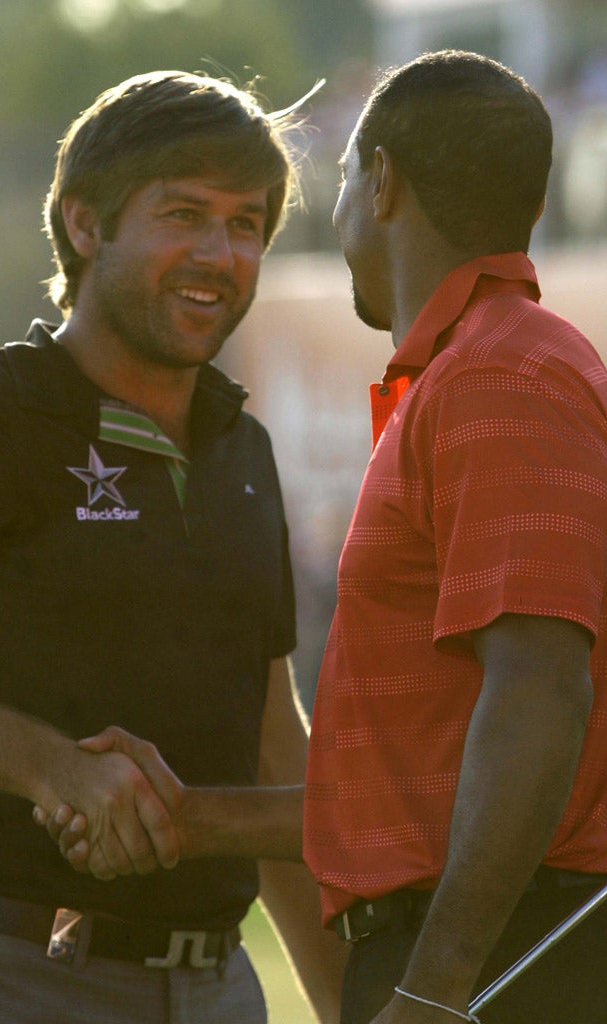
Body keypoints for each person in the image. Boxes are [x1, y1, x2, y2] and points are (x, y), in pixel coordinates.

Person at [0, 71, 345, 1023]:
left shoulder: (245, 448)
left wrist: (344, 1003)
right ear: (84, 224)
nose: (219, 253)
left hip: (218, 988)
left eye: (246, 225)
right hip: (8, 975)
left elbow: (268, 735)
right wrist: (53, 767)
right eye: (184, 214)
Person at [303, 50, 607, 1024]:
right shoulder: (477, 369)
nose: (338, 205)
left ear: (381, 180)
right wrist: (188, 819)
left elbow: (541, 686)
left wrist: (434, 990)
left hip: (501, 965)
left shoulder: (498, 375)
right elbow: (413, 769)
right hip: (484, 953)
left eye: (346, 176)